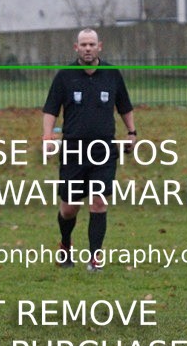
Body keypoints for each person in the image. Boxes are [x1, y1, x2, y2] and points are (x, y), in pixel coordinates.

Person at [41, 28, 136, 272]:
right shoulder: (65, 76)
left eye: (91, 44)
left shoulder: (112, 74)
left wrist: (132, 133)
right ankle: (65, 245)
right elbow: (51, 109)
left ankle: (95, 257)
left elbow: (124, 106)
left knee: (98, 202)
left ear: (99, 46)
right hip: (73, 151)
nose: (87, 48)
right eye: (83, 44)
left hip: (103, 150)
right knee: (69, 208)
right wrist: (48, 137)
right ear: (76, 48)